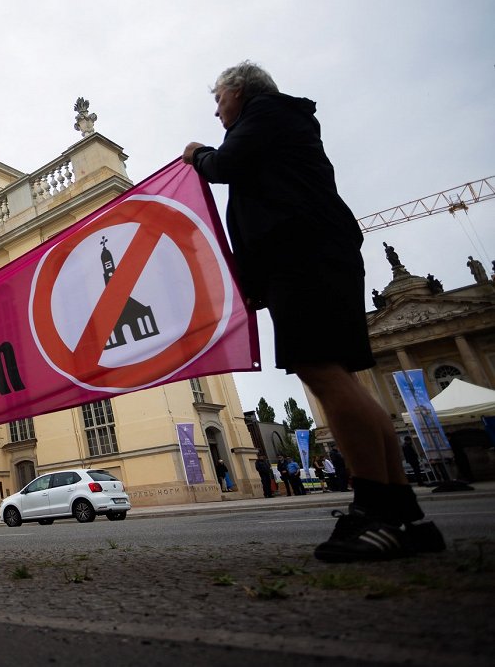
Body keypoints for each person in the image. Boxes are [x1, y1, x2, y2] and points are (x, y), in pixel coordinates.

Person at [184, 61, 443, 562]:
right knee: (338, 375)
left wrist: (197, 155)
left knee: (321, 371)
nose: (217, 112)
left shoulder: (269, 113)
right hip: (314, 254)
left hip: (302, 256)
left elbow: (225, 167)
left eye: (218, 101)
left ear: (239, 92)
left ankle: (376, 513)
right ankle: (404, 514)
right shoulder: (280, 120)